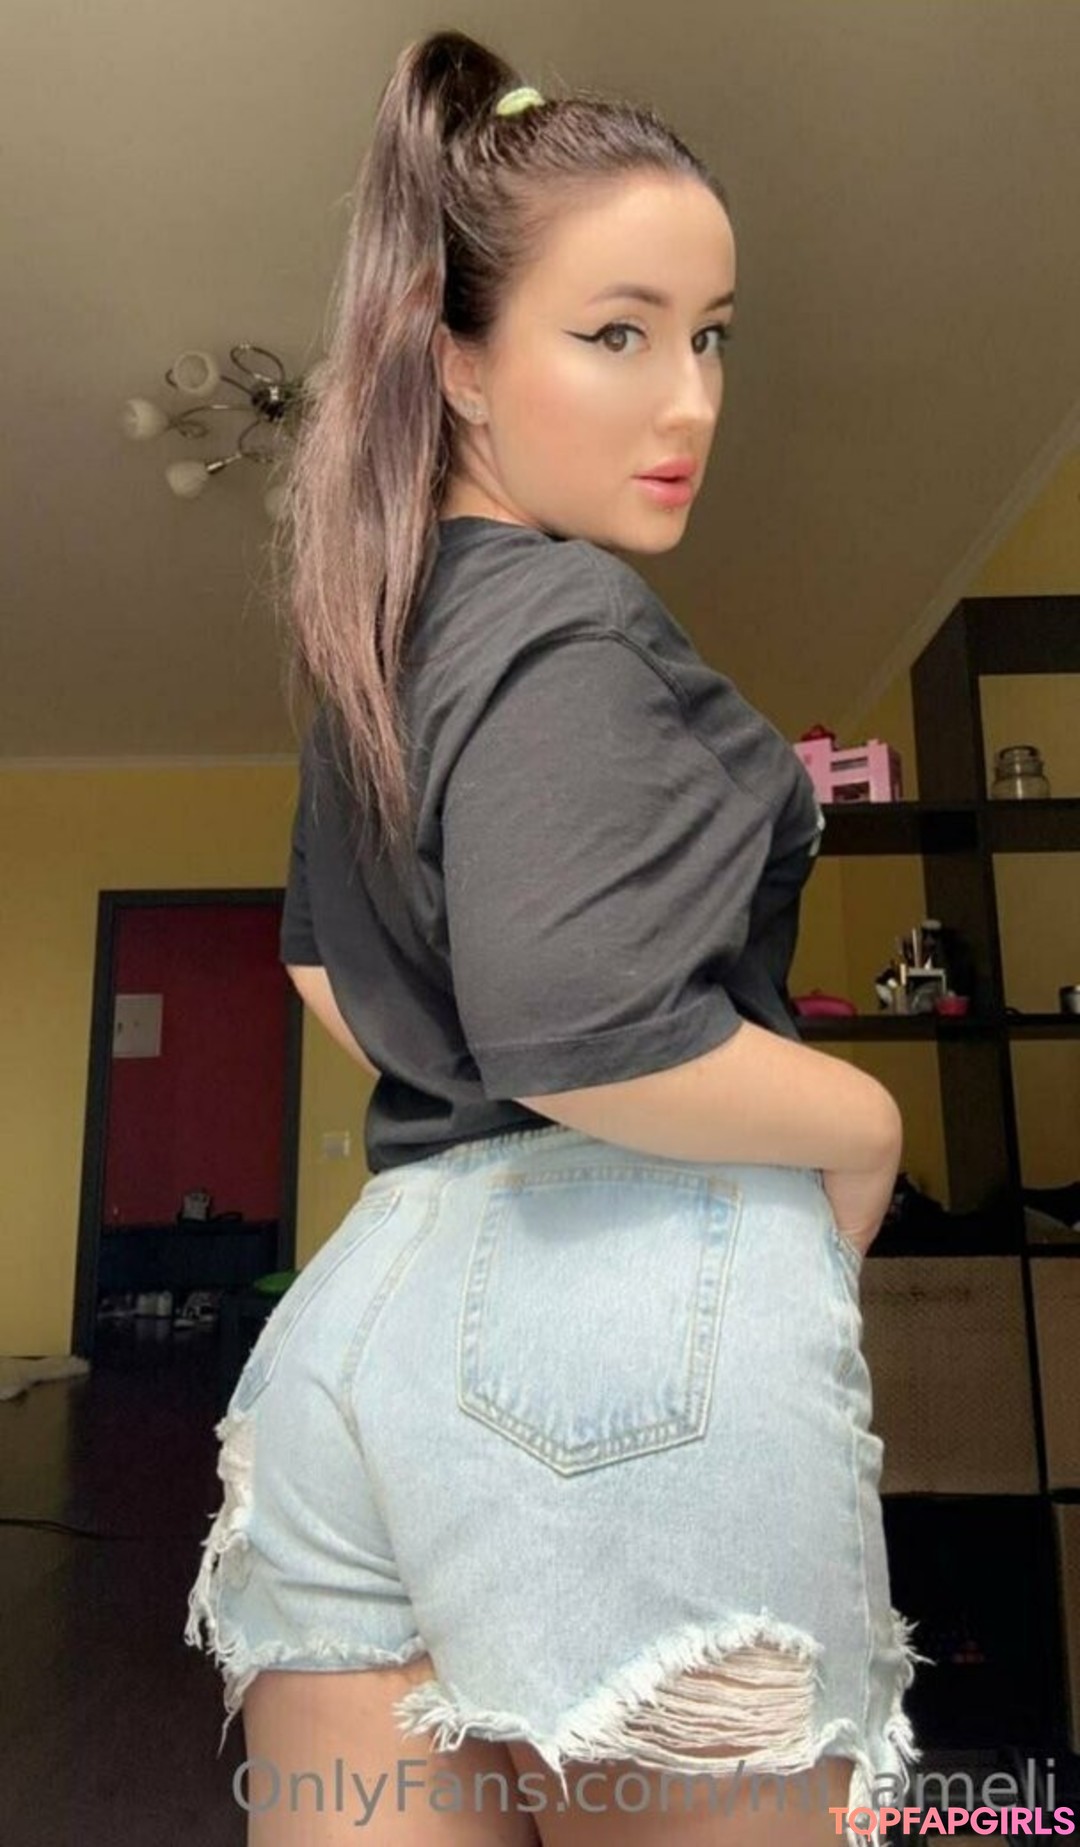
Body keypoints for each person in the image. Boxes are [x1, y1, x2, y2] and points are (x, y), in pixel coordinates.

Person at [184, 29, 922, 1845]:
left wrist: (477, 1052)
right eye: (617, 334)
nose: (690, 403)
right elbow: (584, 1025)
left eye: (711, 336)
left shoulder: (380, 644)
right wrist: (862, 1123)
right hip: (621, 1318)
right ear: (456, 362)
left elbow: (322, 969)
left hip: (366, 1327)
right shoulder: (572, 623)